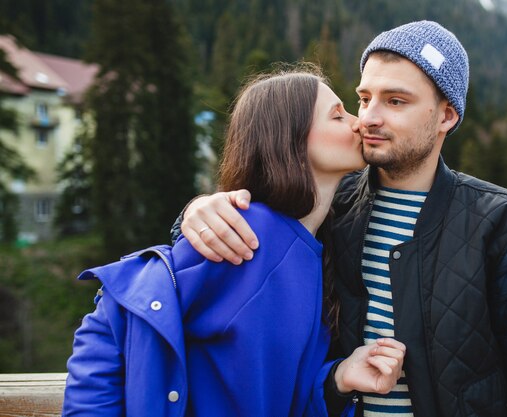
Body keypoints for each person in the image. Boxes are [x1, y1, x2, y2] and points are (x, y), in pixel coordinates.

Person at [172, 21, 507, 417]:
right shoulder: (327, 208)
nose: (369, 117)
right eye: (364, 97)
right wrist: (194, 213)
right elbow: (233, 248)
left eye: (395, 101)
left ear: (446, 116)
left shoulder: (505, 223)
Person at [62, 66, 409, 417]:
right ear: (289, 137)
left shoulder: (317, 248)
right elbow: (116, 312)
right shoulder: (247, 233)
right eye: (338, 115)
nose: (357, 122)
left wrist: (338, 379)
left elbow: (277, 392)